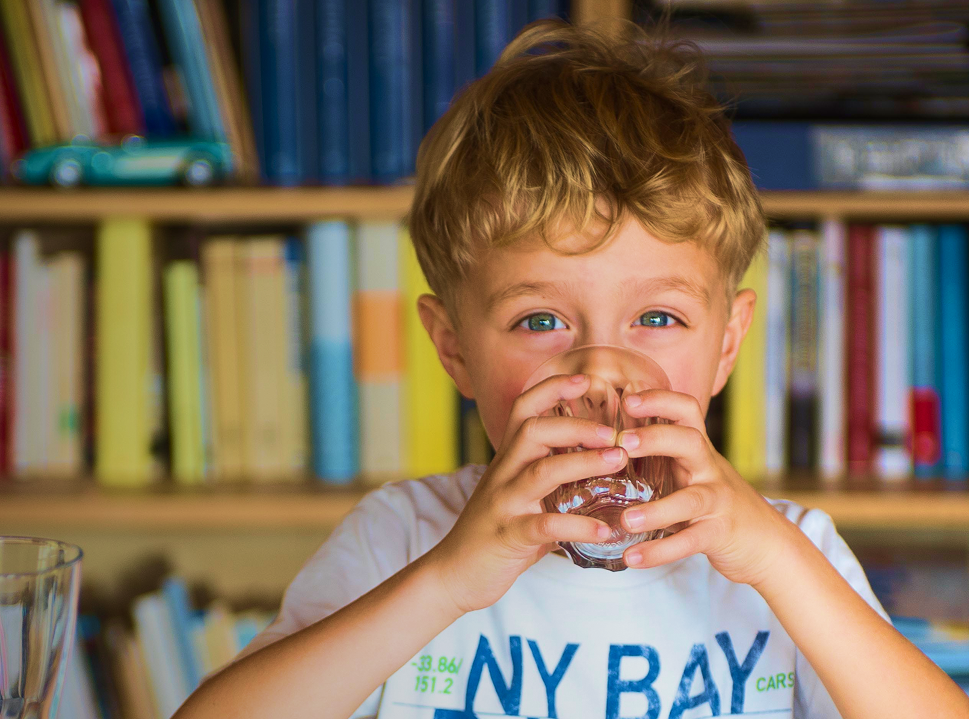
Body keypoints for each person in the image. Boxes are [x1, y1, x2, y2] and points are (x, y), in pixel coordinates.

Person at [172, 20, 969, 719]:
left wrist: (773, 561)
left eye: (658, 318)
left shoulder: (790, 553)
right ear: (453, 348)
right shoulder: (403, 540)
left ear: (727, 344)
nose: (601, 370)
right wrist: (446, 581)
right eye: (540, 320)